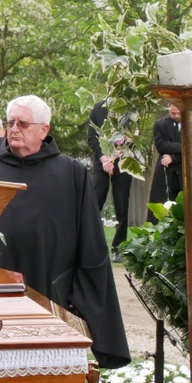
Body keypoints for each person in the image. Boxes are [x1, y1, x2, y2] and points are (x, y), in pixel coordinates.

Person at [0, 95, 130, 369]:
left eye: (23, 123)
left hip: (53, 291)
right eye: (10, 123)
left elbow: (91, 241)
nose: (14, 129)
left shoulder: (71, 173)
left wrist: (78, 296)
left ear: (44, 130)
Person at [87, 99, 132, 261]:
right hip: (101, 162)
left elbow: (134, 135)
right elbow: (91, 137)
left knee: (122, 206)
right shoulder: (98, 108)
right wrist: (104, 158)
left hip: (123, 161)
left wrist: (117, 154)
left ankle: (118, 248)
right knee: (93, 203)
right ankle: (90, 245)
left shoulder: (130, 108)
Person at [150, 102, 192, 205]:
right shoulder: (159, 124)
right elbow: (161, 146)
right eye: (173, 113)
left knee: (189, 204)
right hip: (165, 171)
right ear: (168, 108)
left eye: (179, 113)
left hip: (188, 171)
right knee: (162, 205)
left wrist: (172, 157)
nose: (176, 116)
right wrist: (186, 146)